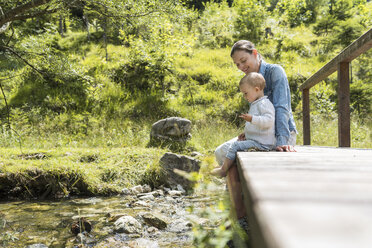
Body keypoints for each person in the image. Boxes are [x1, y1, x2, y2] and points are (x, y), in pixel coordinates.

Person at [214, 40, 297, 228]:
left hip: (279, 134)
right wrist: (248, 132)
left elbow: (282, 108)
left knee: (228, 153)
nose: (241, 67)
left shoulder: (275, 72)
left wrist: (282, 141)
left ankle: (239, 211)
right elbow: (256, 116)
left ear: (255, 53)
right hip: (260, 134)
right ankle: (239, 205)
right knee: (220, 152)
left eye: (244, 61)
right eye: (237, 65)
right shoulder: (250, 80)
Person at [212, 72, 275, 178]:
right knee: (237, 144)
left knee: (235, 145)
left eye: (246, 93)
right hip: (256, 140)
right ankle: (226, 168)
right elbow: (257, 126)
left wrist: (252, 119)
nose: (244, 96)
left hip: (262, 144)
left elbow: (269, 121)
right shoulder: (256, 104)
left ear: (256, 89)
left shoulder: (264, 104)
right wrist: (246, 133)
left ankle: (223, 170)